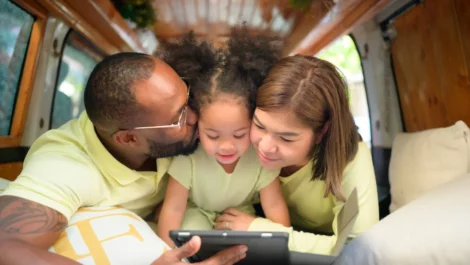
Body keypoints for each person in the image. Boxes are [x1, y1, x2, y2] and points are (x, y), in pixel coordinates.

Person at [0, 52, 247, 264]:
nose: (196, 117)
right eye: (179, 117)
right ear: (129, 139)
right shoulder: (64, 163)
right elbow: (6, 245)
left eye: (188, 96)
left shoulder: (189, 131)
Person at [214, 55, 380, 255]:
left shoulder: (350, 158)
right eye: (259, 125)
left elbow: (355, 249)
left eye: (286, 138)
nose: (265, 147)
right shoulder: (238, 137)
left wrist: (257, 229)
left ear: (322, 132)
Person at [157, 31, 290, 247]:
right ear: (197, 127)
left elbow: (274, 206)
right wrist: (165, 251)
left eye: (239, 134)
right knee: (192, 244)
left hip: (241, 216)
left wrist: (282, 245)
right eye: (213, 135)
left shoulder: (260, 158)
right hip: (197, 213)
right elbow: (173, 208)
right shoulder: (188, 158)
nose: (227, 146)